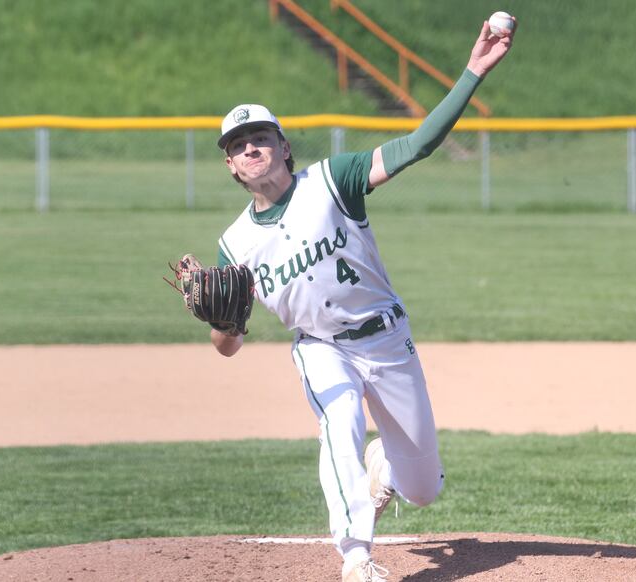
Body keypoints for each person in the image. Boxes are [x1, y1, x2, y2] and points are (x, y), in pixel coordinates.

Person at [207, 18, 514, 582]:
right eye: (238, 145)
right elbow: (227, 346)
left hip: (388, 340)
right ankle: (356, 556)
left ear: (283, 146)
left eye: (260, 138)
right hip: (322, 348)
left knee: (423, 491)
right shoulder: (235, 245)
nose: (251, 148)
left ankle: (387, 465)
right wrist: (223, 318)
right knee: (339, 417)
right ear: (231, 165)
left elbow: (418, 144)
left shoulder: (332, 180)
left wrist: (473, 71)